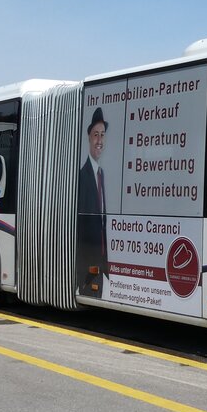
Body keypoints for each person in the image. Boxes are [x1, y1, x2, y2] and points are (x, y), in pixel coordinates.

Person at [77, 106, 109, 297]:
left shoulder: (101, 173)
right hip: (88, 259)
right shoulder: (83, 175)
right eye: (96, 134)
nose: (99, 140)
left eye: (102, 135)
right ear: (89, 137)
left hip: (99, 259)